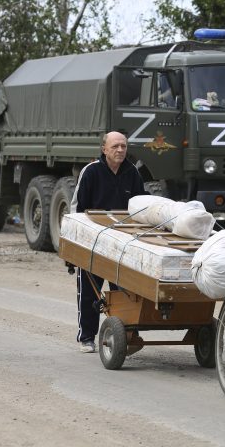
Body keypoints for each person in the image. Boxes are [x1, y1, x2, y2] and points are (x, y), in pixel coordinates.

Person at [71, 131, 147, 353]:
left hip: (123, 242)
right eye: (115, 146)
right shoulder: (91, 171)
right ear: (104, 149)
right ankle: (86, 336)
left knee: (124, 290)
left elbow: (141, 205)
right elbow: (77, 208)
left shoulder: (132, 173)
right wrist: (77, 244)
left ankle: (124, 335)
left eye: (123, 146)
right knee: (88, 290)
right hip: (93, 241)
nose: (120, 150)